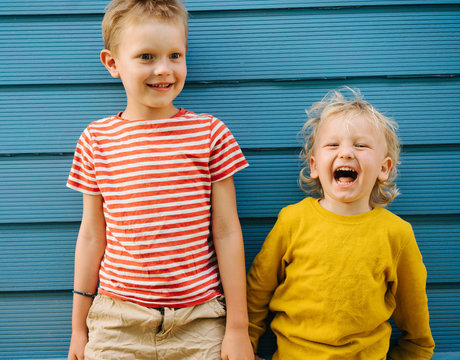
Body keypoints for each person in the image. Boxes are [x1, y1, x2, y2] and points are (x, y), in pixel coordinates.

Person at [66, 0, 254, 359]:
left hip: (199, 321)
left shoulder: (209, 134)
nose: (164, 70)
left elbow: (227, 230)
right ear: (112, 63)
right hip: (117, 322)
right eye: (147, 57)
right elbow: (91, 234)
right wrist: (78, 329)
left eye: (175, 56)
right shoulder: (96, 139)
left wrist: (237, 328)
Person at [246, 88, 435, 360]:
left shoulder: (396, 234)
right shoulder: (293, 220)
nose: (346, 153)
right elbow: (256, 294)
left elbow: (418, 335)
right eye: (333, 145)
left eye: (361, 145)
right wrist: (246, 345)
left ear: (384, 168)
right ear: (314, 165)